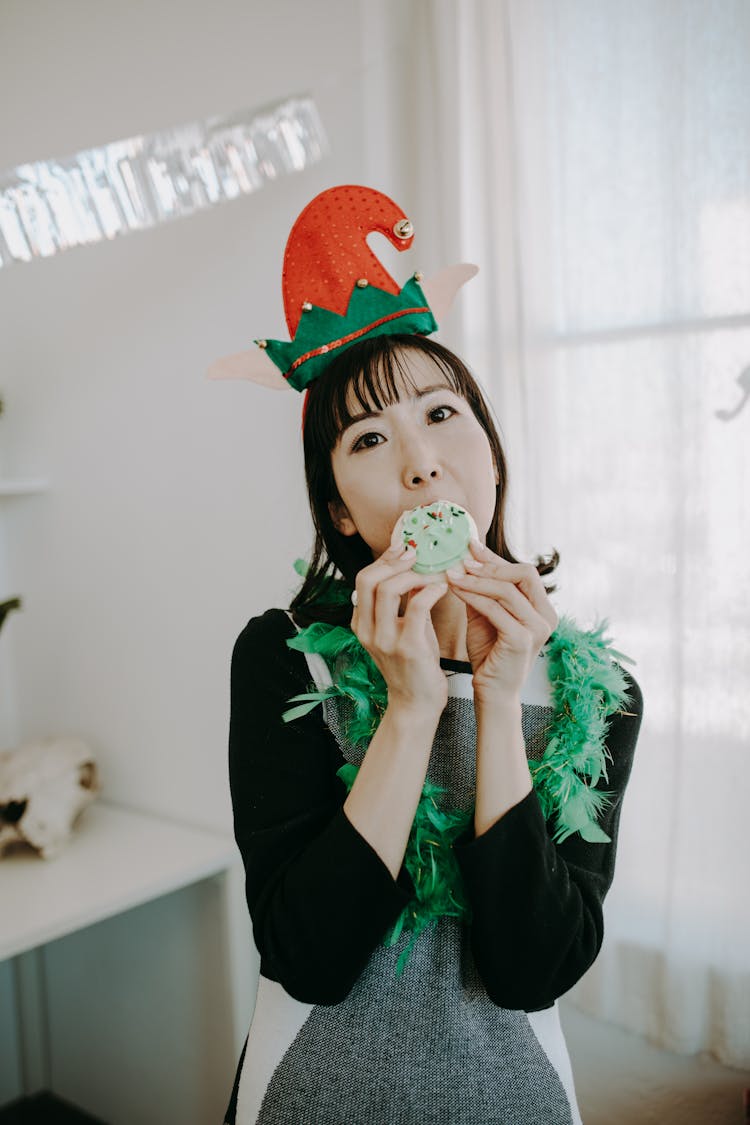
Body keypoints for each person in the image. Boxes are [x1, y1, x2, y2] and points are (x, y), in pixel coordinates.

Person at [213, 187, 644, 1125]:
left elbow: (535, 970)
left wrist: (496, 703)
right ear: (339, 508)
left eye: (443, 415)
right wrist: (410, 712)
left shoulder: (598, 693)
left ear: (489, 448)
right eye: (370, 439)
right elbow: (308, 958)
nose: (420, 464)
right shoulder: (285, 662)